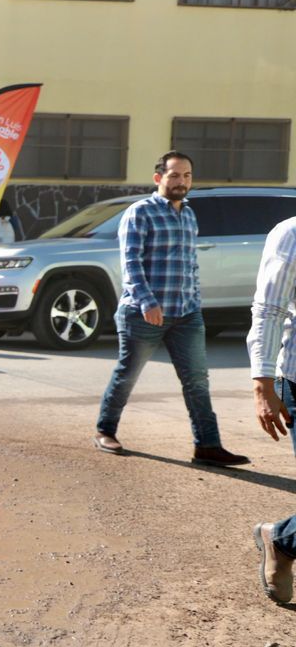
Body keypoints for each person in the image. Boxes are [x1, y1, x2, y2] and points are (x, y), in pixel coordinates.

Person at [94, 152, 247, 466]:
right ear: (158, 178)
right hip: (143, 312)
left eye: (187, 175)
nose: (182, 182)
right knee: (128, 375)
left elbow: (189, 264)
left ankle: (207, 446)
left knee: (197, 380)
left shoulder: (189, 214)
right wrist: (148, 302)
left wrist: (194, 301)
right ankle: (104, 430)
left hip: (187, 313)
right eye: (175, 175)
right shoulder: (140, 213)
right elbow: (131, 264)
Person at [246, 216, 296, 604]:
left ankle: (281, 537)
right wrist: (263, 384)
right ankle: (281, 542)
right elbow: (268, 308)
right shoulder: (290, 233)